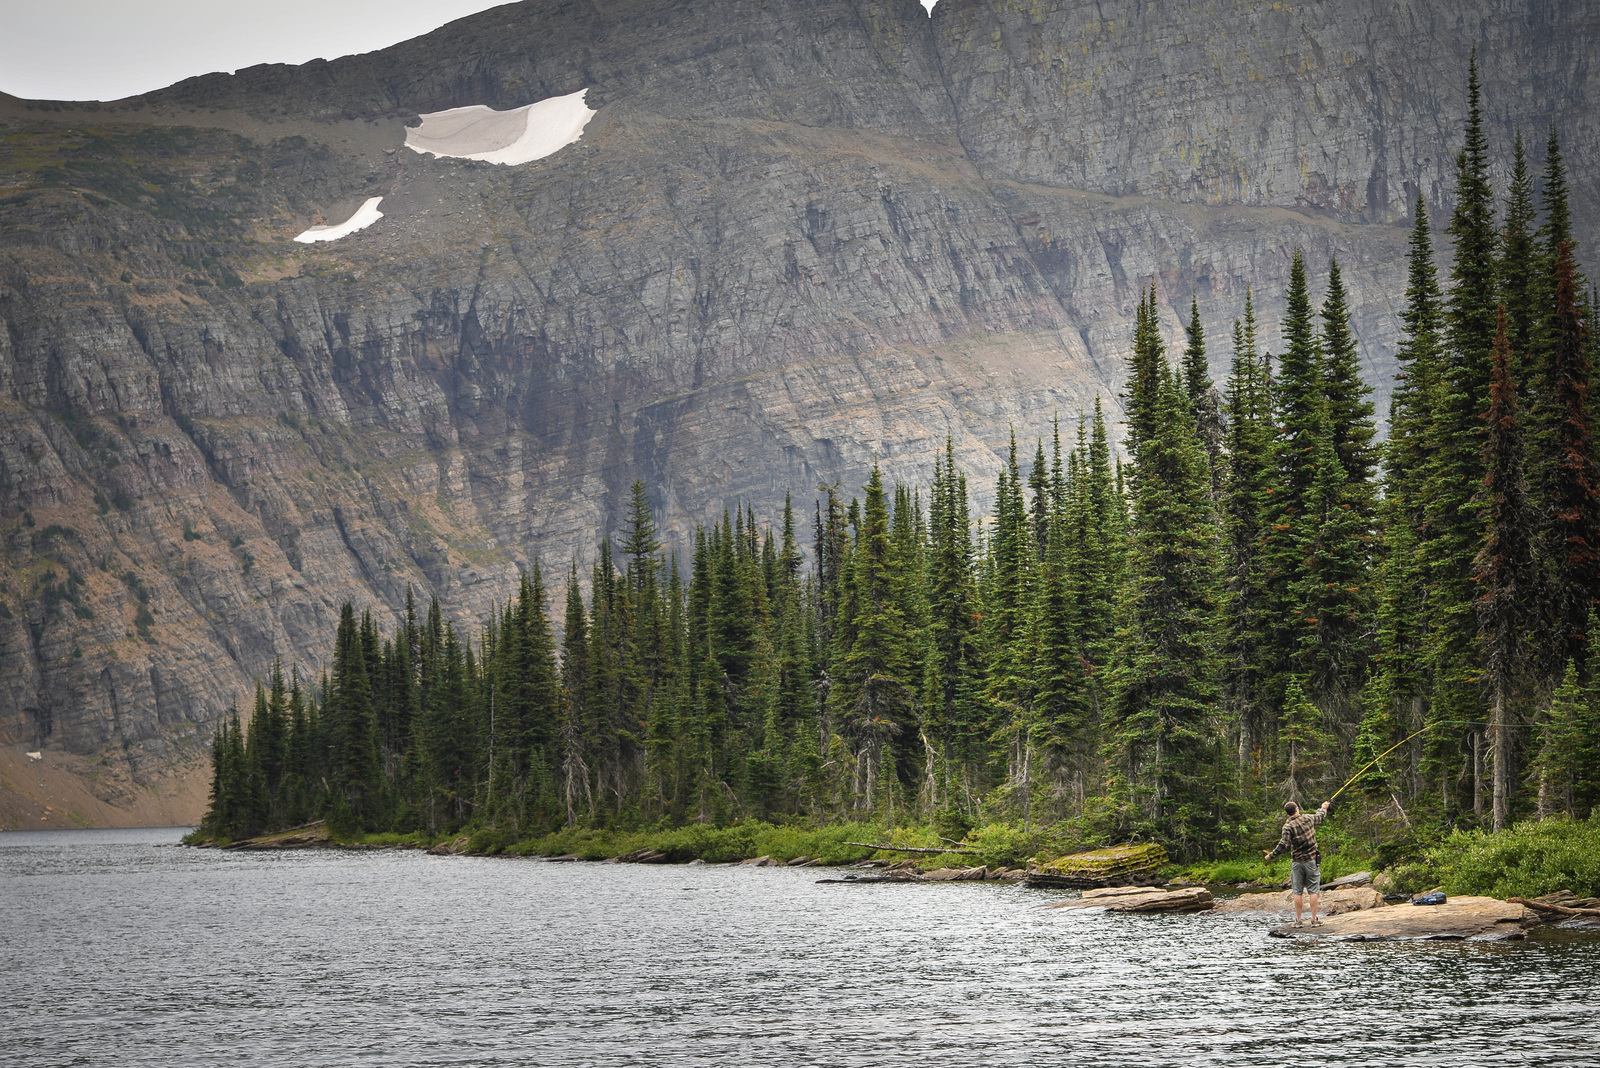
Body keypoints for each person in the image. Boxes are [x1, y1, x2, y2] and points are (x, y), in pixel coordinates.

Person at [1264, 799, 1332, 926]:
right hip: (1311, 860)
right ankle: (1314, 920)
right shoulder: (1308, 818)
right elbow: (1320, 816)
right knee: (1313, 891)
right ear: (1297, 809)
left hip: (1297, 862)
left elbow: (1283, 845)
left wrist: (1271, 856)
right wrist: (1324, 807)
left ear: (1287, 813)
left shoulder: (1287, 827)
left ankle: (1298, 920)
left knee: (1297, 891)